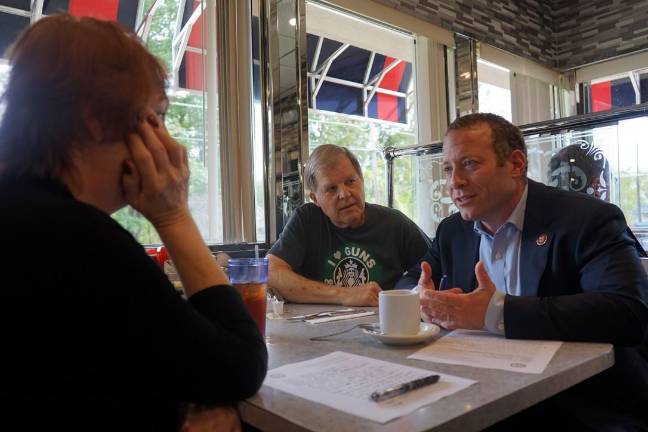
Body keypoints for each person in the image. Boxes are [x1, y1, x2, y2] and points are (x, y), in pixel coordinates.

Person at [0, 14, 266, 431]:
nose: (165, 139)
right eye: (154, 116)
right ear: (97, 119)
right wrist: (173, 215)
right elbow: (239, 366)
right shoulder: (79, 240)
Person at [398, 113, 648, 429]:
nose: (454, 181)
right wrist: (421, 298)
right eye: (448, 169)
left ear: (516, 164)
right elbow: (411, 278)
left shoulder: (587, 219)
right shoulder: (453, 231)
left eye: (470, 164)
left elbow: (628, 312)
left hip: (581, 404)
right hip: (478, 391)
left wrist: (493, 312)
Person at [268, 144, 430, 306]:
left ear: (362, 181)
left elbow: (434, 270)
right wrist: (344, 295)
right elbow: (270, 271)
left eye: (351, 181)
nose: (344, 194)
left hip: (384, 325)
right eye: (331, 189)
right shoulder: (307, 220)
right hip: (320, 328)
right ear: (315, 198)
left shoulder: (395, 223)